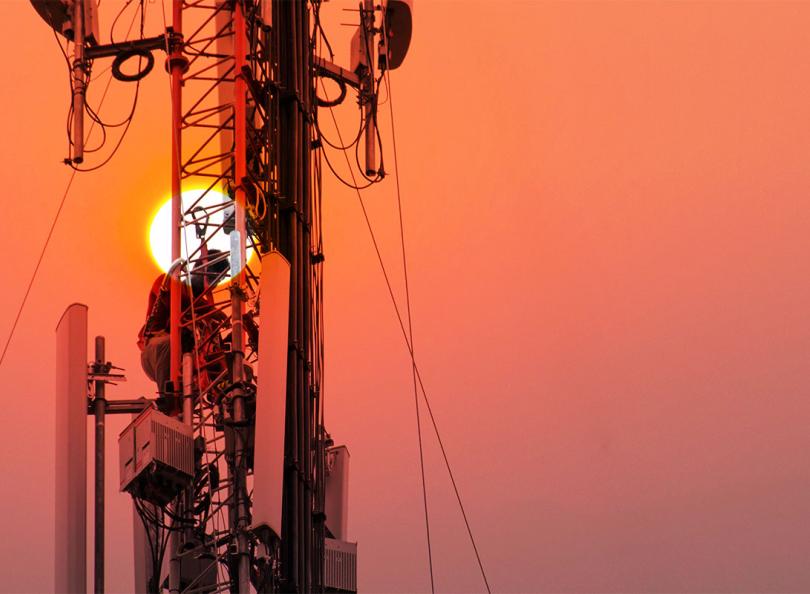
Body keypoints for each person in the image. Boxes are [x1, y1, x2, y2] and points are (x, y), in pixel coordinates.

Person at [138, 249, 230, 396]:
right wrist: (209, 310)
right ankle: (168, 398)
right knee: (170, 343)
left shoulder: (205, 310)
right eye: (213, 279)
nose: (214, 285)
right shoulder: (168, 282)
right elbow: (175, 300)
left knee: (217, 358)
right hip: (156, 350)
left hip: (184, 361)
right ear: (200, 268)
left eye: (217, 281)